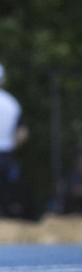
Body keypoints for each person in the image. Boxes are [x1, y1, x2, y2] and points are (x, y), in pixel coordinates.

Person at [0, 64, 28, 218]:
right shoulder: (11, 102)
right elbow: (22, 131)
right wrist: (13, 147)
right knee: (6, 191)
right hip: (6, 152)